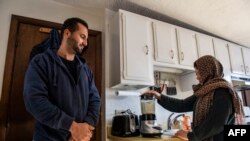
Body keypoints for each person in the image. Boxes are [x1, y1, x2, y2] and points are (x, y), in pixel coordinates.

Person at [23, 17, 101, 141]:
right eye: (82, 36)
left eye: (86, 39)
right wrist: (72, 127)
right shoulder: (41, 62)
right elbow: (34, 100)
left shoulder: (86, 69)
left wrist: (86, 126)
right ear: (67, 33)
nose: (86, 43)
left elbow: (95, 100)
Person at [143, 55, 244, 141]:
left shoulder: (223, 91)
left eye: (198, 73)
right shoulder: (204, 92)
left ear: (207, 72)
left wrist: (190, 135)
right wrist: (159, 96)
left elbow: (216, 123)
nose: (197, 77)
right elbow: (181, 105)